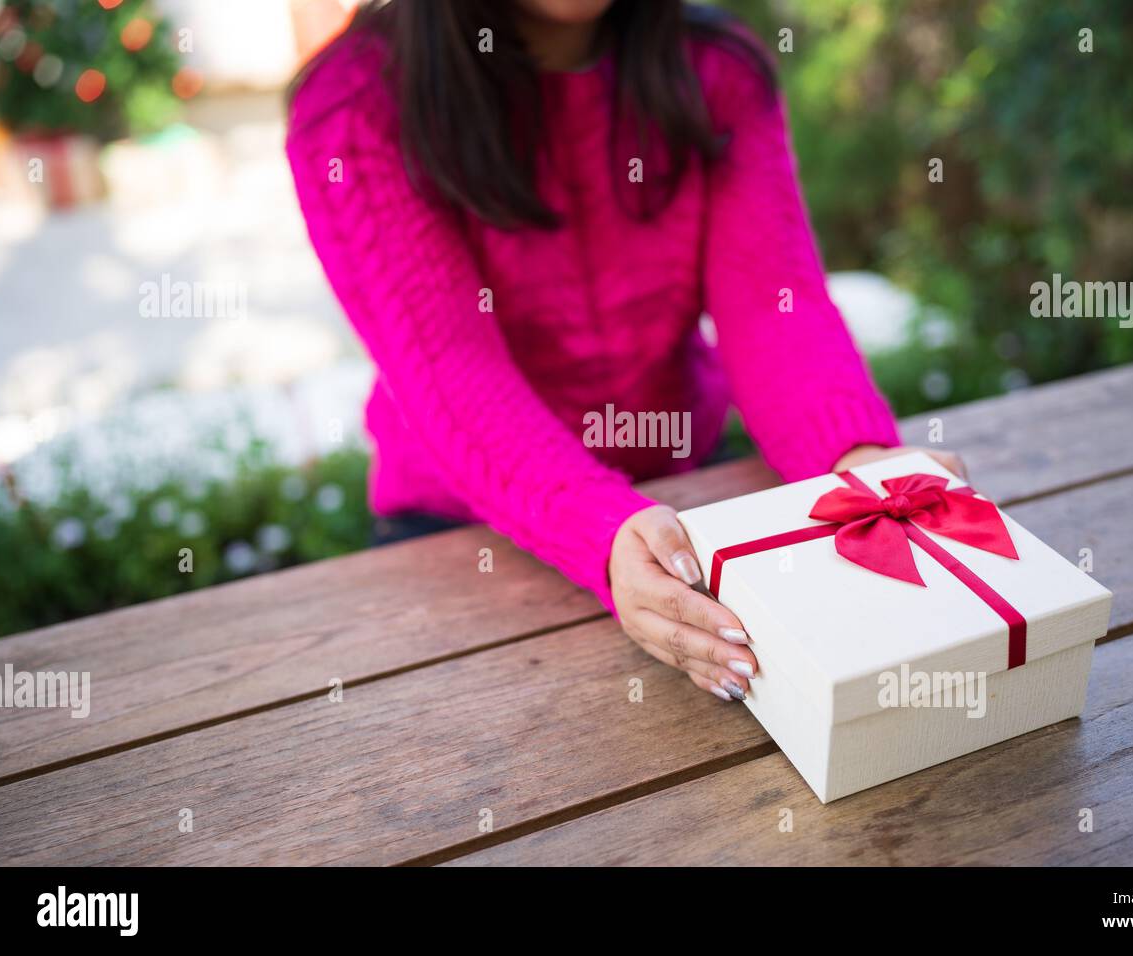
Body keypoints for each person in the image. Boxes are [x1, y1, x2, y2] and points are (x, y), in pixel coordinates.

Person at [286, 0, 964, 703]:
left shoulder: (717, 67)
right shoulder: (353, 107)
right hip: (457, 533)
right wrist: (601, 530)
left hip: (680, 487)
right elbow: (454, 370)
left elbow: (772, 306)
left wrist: (854, 461)